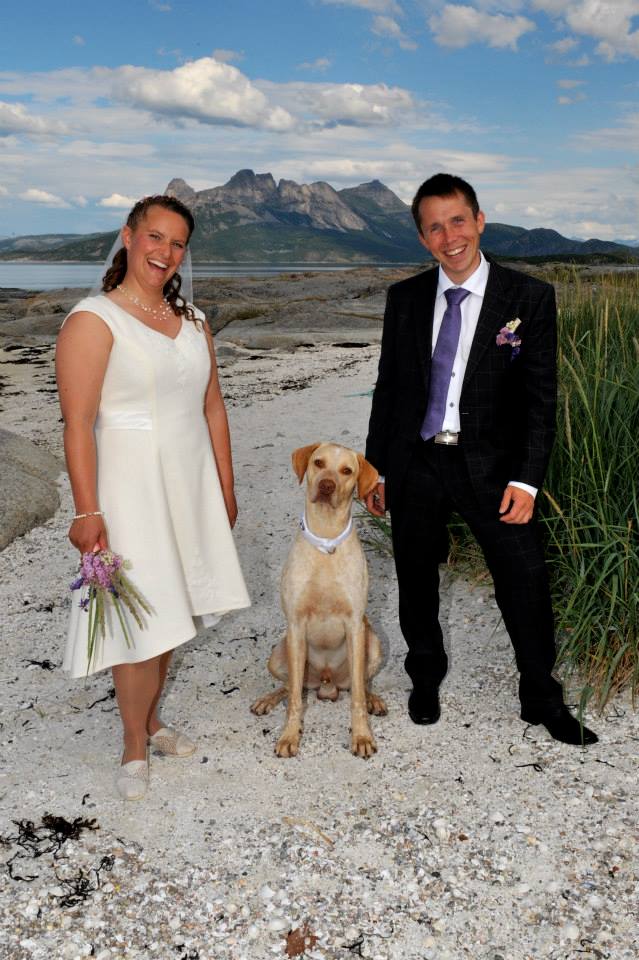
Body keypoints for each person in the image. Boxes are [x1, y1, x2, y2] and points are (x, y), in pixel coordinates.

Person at [364, 173, 597, 746]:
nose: (450, 237)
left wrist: (527, 480)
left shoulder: (528, 297)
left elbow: (541, 400)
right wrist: (378, 468)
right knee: (415, 576)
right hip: (417, 461)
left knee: (525, 578)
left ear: (479, 221)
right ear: (423, 238)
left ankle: (541, 696)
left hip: (493, 467)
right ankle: (425, 675)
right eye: (435, 228)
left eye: (458, 221)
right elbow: (389, 390)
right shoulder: (405, 299)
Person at [56, 195, 251, 800]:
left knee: (174, 609)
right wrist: (87, 510)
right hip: (129, 487)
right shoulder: (94, 320)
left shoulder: (193, 321)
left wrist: (225, 487)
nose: (166, 251)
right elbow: (77, 423)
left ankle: (153, 720)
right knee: (137, 618)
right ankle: (132, 744)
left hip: (189, 482)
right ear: (129, 236)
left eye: (178, 242)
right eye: (155, 237)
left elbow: (213, 407)